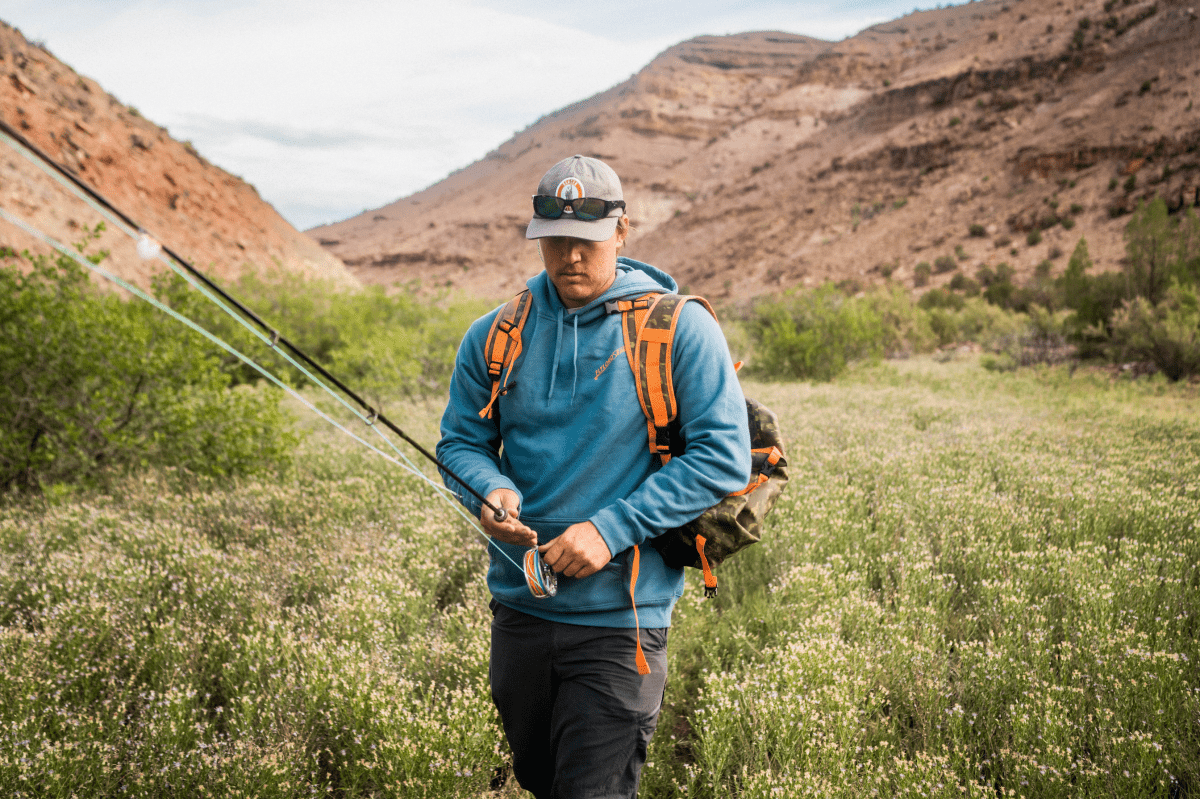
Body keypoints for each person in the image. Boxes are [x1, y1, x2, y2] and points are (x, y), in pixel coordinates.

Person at [436, 154, 750, 799]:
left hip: (621, 624)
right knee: (539, 782)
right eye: (555, 241)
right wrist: (487, 489)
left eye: (587, 241)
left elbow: (722, 455)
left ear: (623, 233)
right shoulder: (494, 334)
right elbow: (462, 442)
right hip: (518, 613)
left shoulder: (677, 328)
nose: (570, 257)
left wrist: (608, 531)